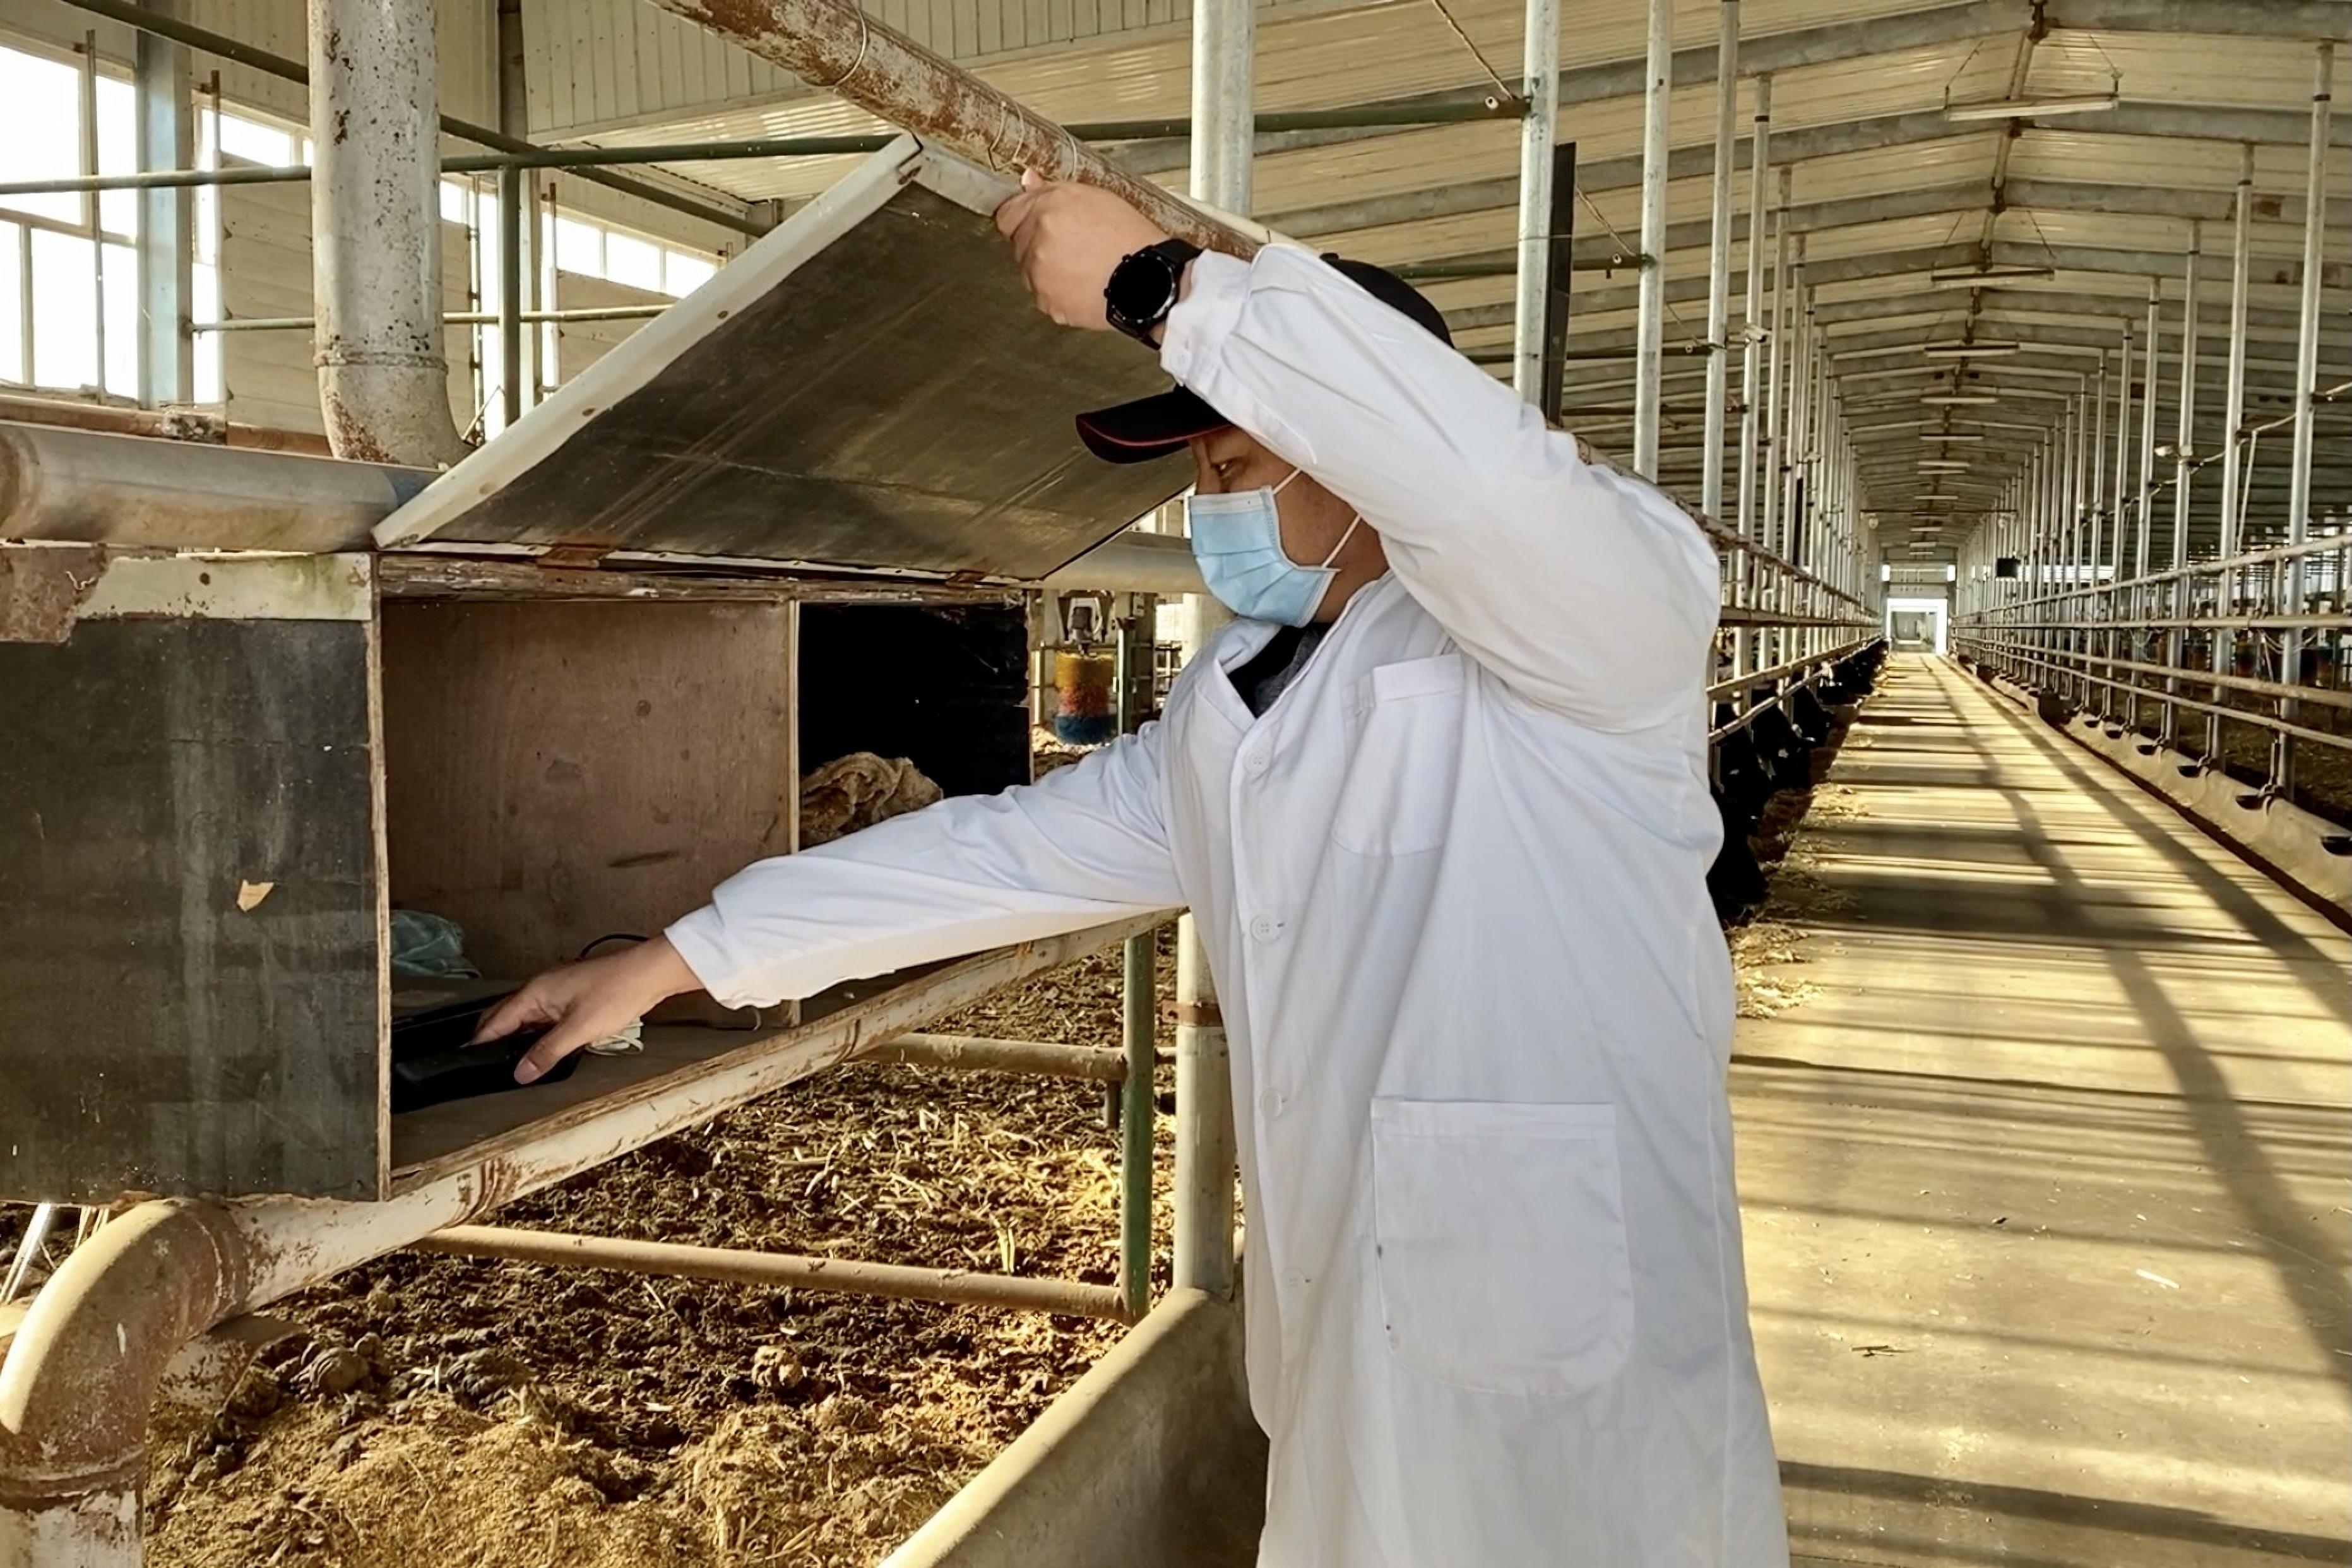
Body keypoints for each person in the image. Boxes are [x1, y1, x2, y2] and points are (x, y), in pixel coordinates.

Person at [477, 169, 1789, 1567]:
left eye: (1232, 467)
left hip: (1575, 1348)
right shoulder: (1238, 701)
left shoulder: (1599, 626)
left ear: (1362, 458)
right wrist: (682, 956)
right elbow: (1000, 854)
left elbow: (1488, 486)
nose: (1209, 507)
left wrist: (1162, 288)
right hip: (1356, 1333)